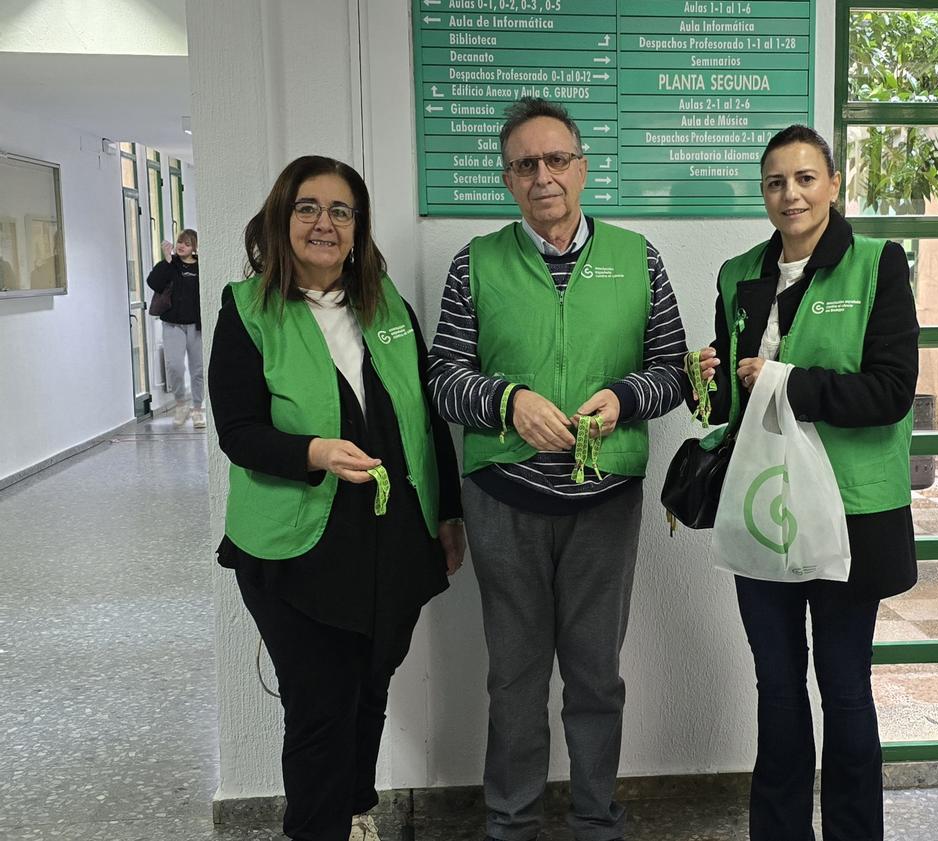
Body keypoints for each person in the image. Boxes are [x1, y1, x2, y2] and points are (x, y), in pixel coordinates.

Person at [428, 97, 689, 841]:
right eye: (525, 165)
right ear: (508, 180)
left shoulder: (638, 257)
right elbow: (442, 378)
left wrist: (625, 397)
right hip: (503, 501)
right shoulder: (476, 263)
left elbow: (673, 368)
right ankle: (511, 822)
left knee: (596, 674)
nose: (543, 176)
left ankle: (597, 819)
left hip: (604, 501)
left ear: (582, 167)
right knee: (514, 676)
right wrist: (508, 402)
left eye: (556, 159)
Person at [207, 155, 466, 841]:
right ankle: (316, 829)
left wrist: (448, 513)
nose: (324, 223)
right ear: (281, 218)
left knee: (371, 687)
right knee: (320, 705)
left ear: (358, 228)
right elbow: (239, 432)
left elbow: (427, 418)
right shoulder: (247, 309)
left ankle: (353, 813)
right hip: (295, 547)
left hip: (392, 541)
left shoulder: (387, 306)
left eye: (340, 211)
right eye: (308, 208)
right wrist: (314, 453)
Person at [692, 125, 919, 841]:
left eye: (805, 178)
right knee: (779, 688)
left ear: (833, 184)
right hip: (765, 510)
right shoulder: (738, 274)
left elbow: (891, 391)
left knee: (845, 689)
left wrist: (788, 382)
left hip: (852, 514)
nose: (790, 194)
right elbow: (731, 407)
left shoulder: (878, 265)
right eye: (775, 182)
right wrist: (710, 381)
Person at [147, 229, 205, 427]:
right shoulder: (170, 265)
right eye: (180, 242)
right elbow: (153, 283)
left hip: (196, 326)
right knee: (174, 366)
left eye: (187, 244)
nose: (182, 246)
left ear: (194, 247)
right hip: (172, 324)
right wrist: (166, 260)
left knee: (198, 369)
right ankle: (181, 404)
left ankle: (197, 409)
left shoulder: (201, 266)